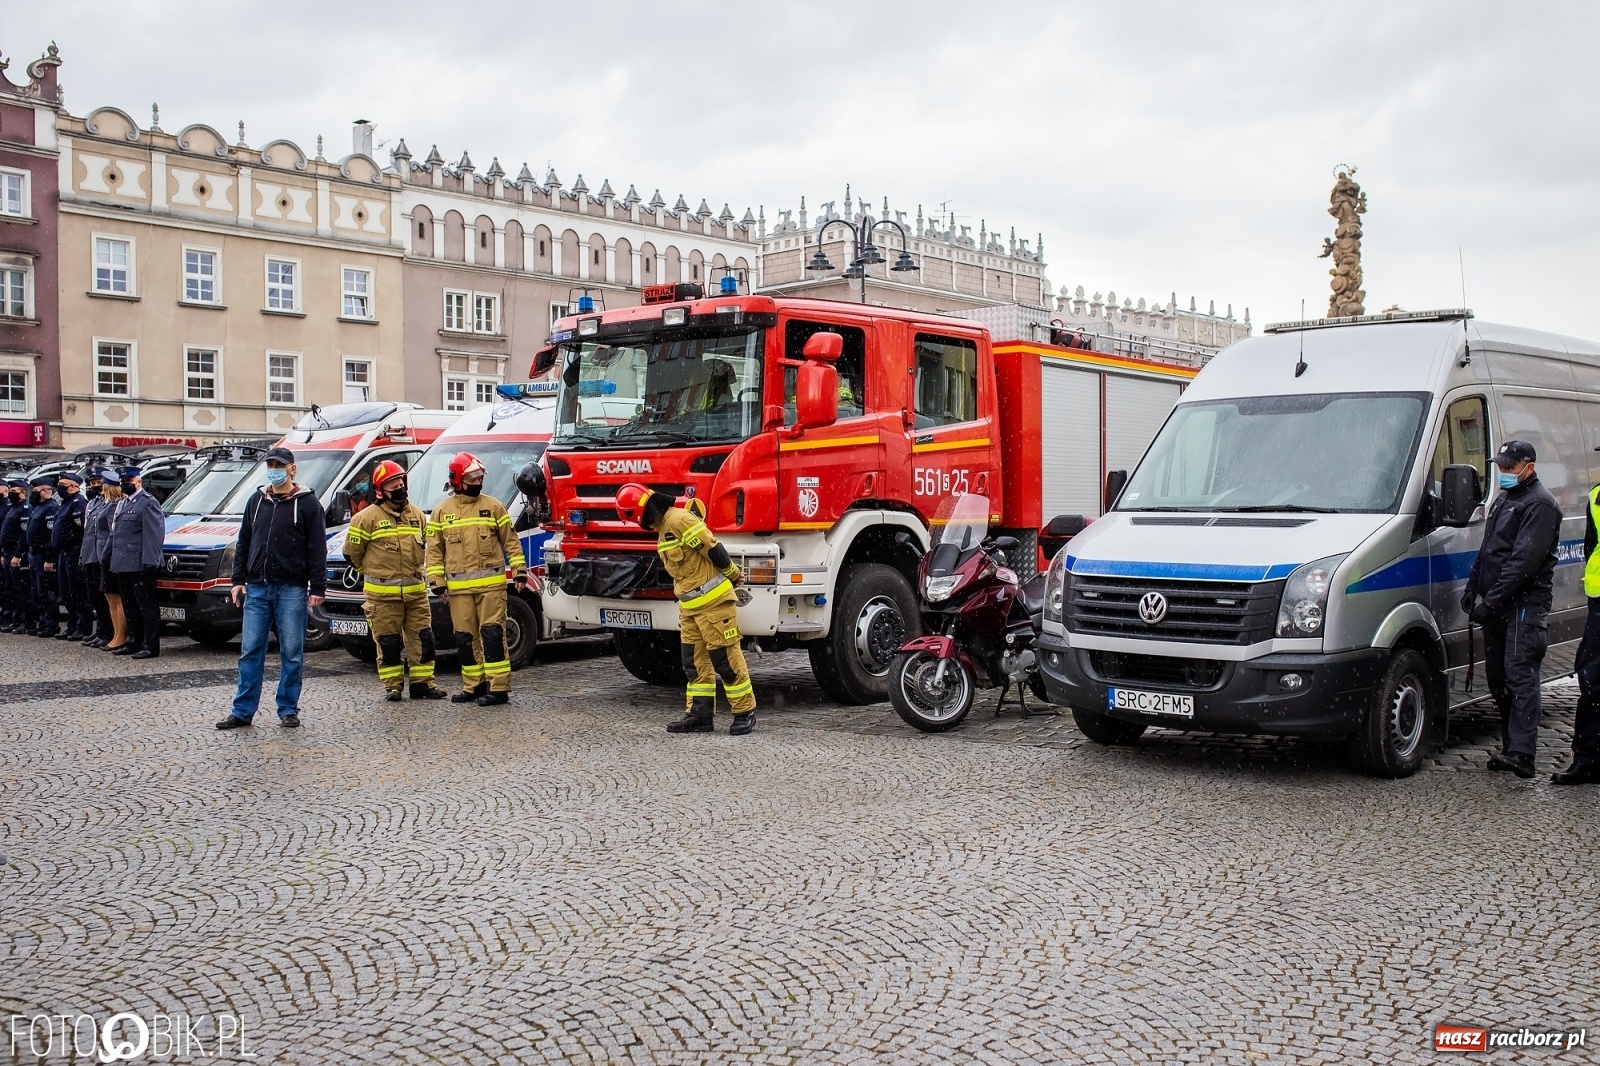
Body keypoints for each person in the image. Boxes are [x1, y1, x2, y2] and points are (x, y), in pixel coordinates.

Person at [614, 483, 755, 735]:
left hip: (714, 605)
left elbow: (712, 547)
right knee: (693, 663)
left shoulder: (679, 520)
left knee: (725, 660)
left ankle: (744, 712)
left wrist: (733, 574)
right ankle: (700, 716)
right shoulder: (663, 529)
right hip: (690, 609)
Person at [1461, 440, 1562, 779]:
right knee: (1498, 678)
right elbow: (1488, 551)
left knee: (1520, 677)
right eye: (1500, 466)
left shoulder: (1540, 505)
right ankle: (1510, 747)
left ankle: (1522, 753)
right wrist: (1473, 587)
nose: (1502, 472)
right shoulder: (1505, 499)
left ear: (1528, 467)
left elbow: (1523, 564)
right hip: (1498, 606)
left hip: (1524, 607)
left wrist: (1490, 602)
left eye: (1509, 467)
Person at [217, 447, 327, 730]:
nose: (274, 470)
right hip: (257, 588)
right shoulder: (256, 501)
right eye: (271, 465)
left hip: (292, 588)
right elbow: (244, 542)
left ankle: (288, 708)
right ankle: (242, 711)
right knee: (250, 651)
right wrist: (237, 580)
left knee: (292, 652)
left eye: (279, 465)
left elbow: (317, 547)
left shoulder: (308, 503)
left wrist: (318, 586)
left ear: (292, 469)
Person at [424, 452, 526, 707]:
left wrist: (519, 570)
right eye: (472, 478)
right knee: (465, 639)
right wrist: (436, 582)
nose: (478, 482)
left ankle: (498, 688)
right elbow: (434, 551)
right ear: (458, 480)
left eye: (479, 477)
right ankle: (473, 686)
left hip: (491, 588)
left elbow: (511, 542)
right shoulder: (441, 512)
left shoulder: (494, 507)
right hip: (459, 591)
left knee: (492, 635)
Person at [345, 460, 444, 702]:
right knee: (388, 643)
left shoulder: (417, 516)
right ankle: (393, 687)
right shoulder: (365, 518)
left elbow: (428, 549)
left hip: (416, 595)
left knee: (423, 639)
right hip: (382, 598)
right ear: (381, 490)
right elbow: (352, 554)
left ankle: (423, 684)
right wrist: (371, 571)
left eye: (400, 482)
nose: (399, 487)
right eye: (393, 484)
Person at [1553, 465, 1600, 785]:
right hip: (1598, 603)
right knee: (1591, 679)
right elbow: (1590, 546)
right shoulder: (1596, 496)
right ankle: (1587, 760)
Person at [107, 467, 165, 658]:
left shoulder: (147, 502)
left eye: (129, 482)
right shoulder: (123, 502)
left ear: (139, 482)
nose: (125, 485)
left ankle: (150, 645)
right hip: (123, 562)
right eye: (123, 482)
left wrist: (150, 560)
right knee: (130, 605)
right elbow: (117, 534)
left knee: (146, 606)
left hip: (140, 562)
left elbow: (153, 534)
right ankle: (134, 640)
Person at [48, 470, 90, 640]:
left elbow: (82, 529)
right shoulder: (65, 503)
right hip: (63, 553)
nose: (60, 488)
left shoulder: (78, 503)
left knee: (77, 592)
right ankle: (72, 625)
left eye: (63, 485)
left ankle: (83, 626)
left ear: (74, 486)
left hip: (74, 551)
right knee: (65, 593)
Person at [77, 470, 113, 647]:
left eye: (98, 482)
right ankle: (100, 630)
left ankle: (108, 632)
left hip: (101, 556)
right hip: (90, 555)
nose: (94, 486)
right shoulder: (92, 503)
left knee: (103, 597)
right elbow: (87, 532)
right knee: (94, 598)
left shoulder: (109, 503)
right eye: (92, 483)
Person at [95, 475, 130, 652]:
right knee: (110, 598)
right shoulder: (108, 505)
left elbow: (113, 534)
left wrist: (108, 555)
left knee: (117, 599)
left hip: (111, 556)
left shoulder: (114, 507)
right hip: (104, 555)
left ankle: (120, 635)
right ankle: (116, 635)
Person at [25, 474, 60, 637]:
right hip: (34, 554)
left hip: (43, 554)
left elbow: (50, 535)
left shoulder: (51, 508)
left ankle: (51, 624)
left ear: (45, 491)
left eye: (36, 490)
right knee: (37, 592)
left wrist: (49, 558)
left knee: (46, 592)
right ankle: (42, 622)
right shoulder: (38, 507)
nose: (33, 493)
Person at [0, 478, 26, 632]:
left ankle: (18, 619)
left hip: (14, 552)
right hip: (6, 551)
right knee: (8, 587)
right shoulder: (13, 508)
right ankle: (10, 617)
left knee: (17, 588)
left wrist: (17, 554)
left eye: (13, 491)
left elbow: (21, 534)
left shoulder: (17, 508)